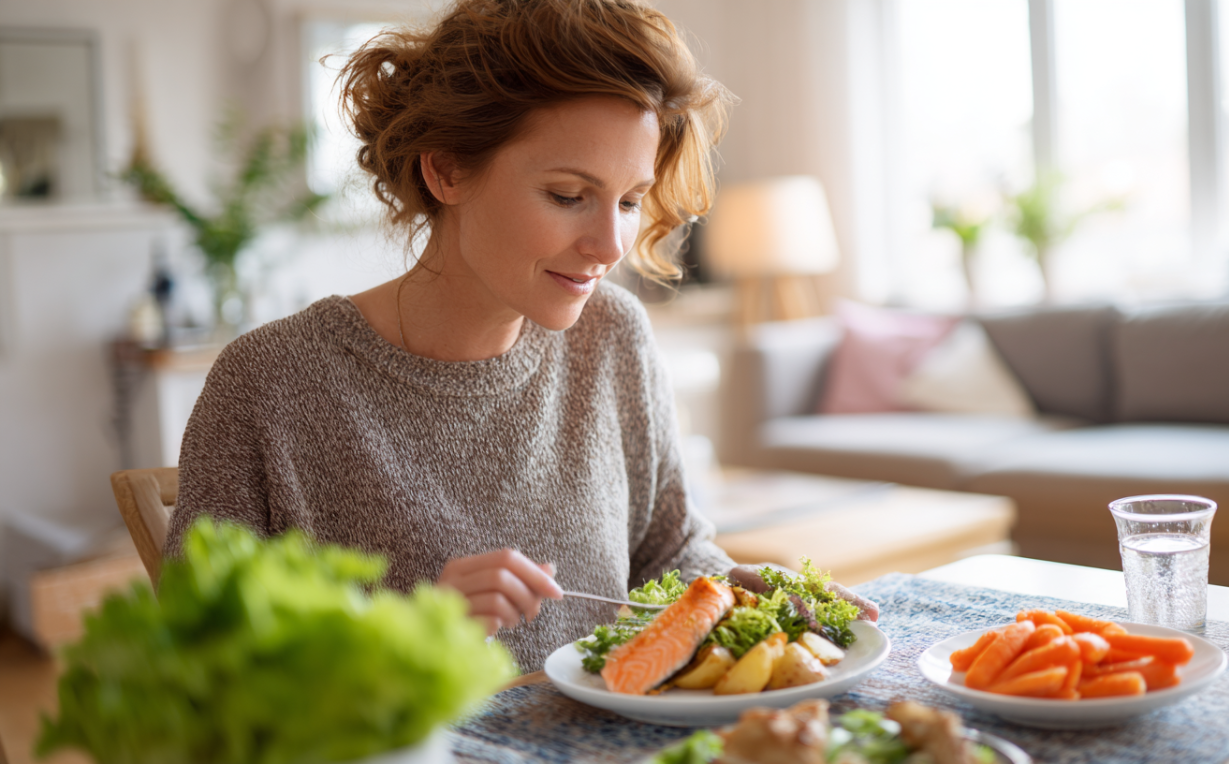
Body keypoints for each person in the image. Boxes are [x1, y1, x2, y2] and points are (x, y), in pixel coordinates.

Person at [165, 0, 874, 673]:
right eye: (568, 196)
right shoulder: (271, 382)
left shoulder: (613, 335)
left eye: (630, 201)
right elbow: (194, 667)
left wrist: (739, 593)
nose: (609, 245)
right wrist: (408, 631)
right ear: (445, 169)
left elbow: (665, 556)